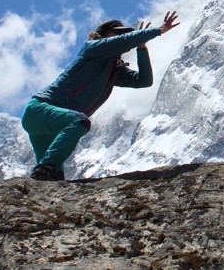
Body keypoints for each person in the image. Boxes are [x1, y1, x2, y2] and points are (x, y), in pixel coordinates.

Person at [21, 11, 181, 181]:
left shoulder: (114, 70)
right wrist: (159, 30)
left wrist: (141, 47)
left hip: (51, 124)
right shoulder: (92, 49)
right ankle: (45, 167)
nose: (120, 37)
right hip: (39, 110)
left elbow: (144, 81)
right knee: (79, 122)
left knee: (52, 179)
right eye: (116, 33)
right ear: (104, 35)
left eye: (123, 34)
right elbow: (124, 42)